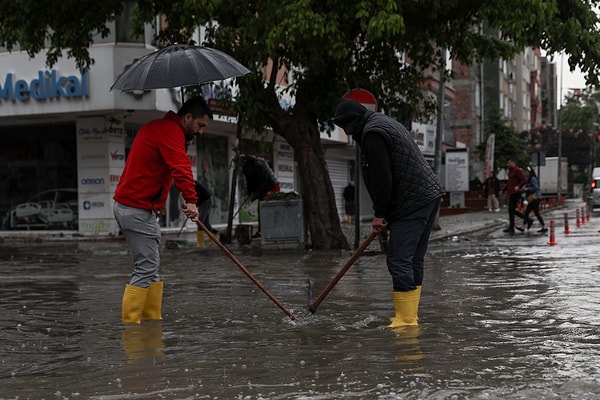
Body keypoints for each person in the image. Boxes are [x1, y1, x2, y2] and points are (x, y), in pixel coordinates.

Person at [333, 98, 444, 328]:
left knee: (399, 259)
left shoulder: (372, 133)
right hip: (427, 197)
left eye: (344, 126)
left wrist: (380, 213)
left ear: (352, 122)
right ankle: (410, 316)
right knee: (413, 259)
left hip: (411, 202)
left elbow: (383, 178)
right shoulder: (381, 122)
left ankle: (405, 321)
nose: (345, 131)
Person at [114, 96, 213, 324]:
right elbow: (181, 168)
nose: (201, 132)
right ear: (187, 118)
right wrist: (191, 200)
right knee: (146, 267)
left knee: (152, 269)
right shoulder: (169, 131)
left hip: (137, 208)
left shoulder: (165, 129)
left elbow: (169, 168)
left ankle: (151, 326)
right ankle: (131, 330)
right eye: (200, 126)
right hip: (135, 208)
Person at [516, 167, 547, 233]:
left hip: (536, 197)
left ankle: (544, 226)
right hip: (531, 198)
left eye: (527, 172)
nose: (526, 173)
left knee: (536, 212)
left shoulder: (533, 178)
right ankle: (523, 227)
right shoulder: (529, 179)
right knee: (527, 212)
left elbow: (536, 187)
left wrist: (528, 189)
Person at [502, 158, 527, 235]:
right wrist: (503, 189)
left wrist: (518, 186)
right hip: (511, 192)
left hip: (516, 193)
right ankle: (526, 220)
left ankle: (512, 227)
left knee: (511, 210)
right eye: (507, 163)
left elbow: (523, 180)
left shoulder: (517, 170)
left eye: (509, 163)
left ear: (513, 162)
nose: (507, 165)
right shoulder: (511, 171)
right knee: (511, 211)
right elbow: (509, 183)